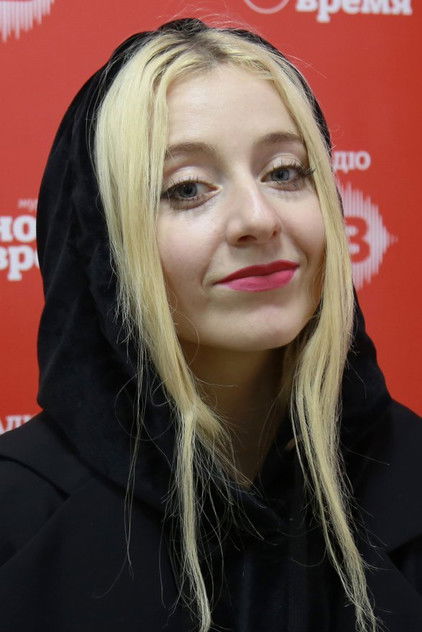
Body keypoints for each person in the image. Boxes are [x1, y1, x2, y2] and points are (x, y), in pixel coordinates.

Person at [0, 17, 421, 632]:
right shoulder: (19, 518)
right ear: (105, 247)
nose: (258, 219)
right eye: (187, 188)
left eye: (284, 172)